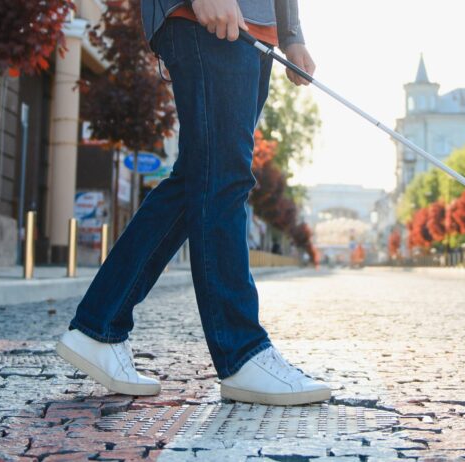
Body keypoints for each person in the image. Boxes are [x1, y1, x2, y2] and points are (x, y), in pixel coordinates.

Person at [55, 0, 330, 406]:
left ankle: (99, 326)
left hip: (256, 27)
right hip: (209, 15)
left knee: (199, 179)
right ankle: (243, 353)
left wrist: (291, 34)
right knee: (224, 177)